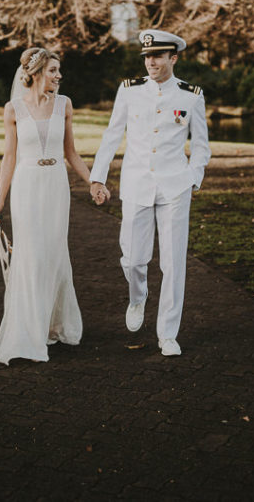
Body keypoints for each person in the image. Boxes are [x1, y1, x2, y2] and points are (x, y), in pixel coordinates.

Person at [89, 29, 210, 357]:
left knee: (173, 263)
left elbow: (201, 145)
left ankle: (168, 333)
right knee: (133, 259)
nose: (151, 61)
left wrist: (192, 178)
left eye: (158, 55)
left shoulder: (191, 95)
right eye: (147, 56)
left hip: (175, 186)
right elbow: (112, 136)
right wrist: (97, 178)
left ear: (173, 58)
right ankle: (137, 297)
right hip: (137, 184)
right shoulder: (129, 91)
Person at [0, 47, 90, 365]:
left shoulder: (65, 105)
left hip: (56, 186)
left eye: (59, 71)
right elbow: (9, 158)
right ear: (35, 74)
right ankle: (29, 331)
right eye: (53, 71)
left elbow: (71, 153)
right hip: (27, 186)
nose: (59, 76)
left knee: (54, 253)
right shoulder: (13, 109)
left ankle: (54, 324)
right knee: (31, 255)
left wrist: (94, 182)